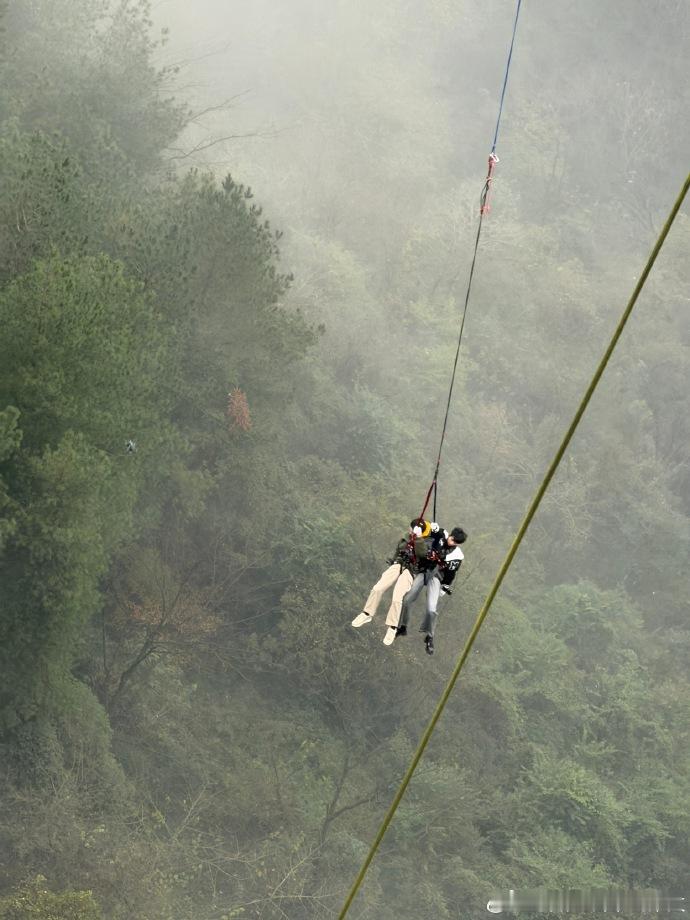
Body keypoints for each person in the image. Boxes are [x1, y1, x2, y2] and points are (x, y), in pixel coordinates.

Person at [352, 519, 440, 645]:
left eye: (412, 529)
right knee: (378, 588)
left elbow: (422, 554)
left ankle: (392, 627)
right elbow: (398, 550)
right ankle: (367, 613)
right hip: (398, 564)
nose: (410, 530)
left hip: (411, 570)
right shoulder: (406, 537)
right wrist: (394, 560)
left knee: (397, 597)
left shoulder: (426, 542)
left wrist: (418, 538)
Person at [397, 526, 467, 655]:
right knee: (407, 600)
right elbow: (429, 529)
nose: (452, 542)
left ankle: (429, 637)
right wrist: (430, 527)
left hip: (436, 577)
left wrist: (445, 586)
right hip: (424, 571)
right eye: (452, 539)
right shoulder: (440, 535)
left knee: (431, 609)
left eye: (455, 542)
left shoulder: (456, 555)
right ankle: (403, 626)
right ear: (450, 535)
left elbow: (451, 573)